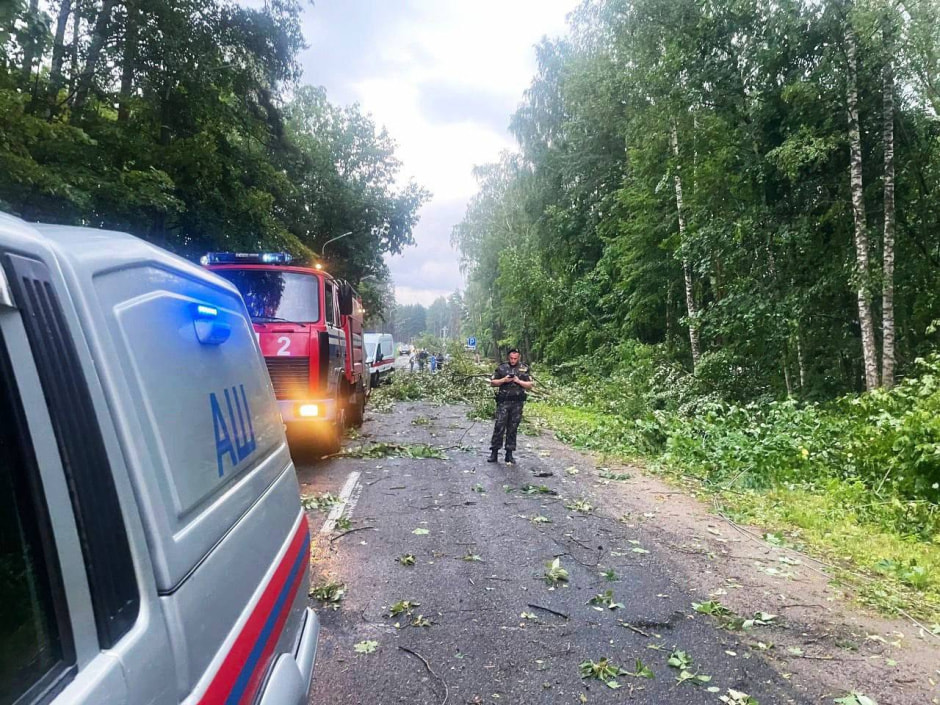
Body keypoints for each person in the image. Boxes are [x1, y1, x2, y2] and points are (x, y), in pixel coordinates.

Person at [487, 348, 533, 465]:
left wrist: (518, 381)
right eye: (511, 358)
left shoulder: (524, 368)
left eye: (515, 358)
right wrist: (504, 380)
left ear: (519, 357)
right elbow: (492, 383)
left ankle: (509, 454)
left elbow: (530, 385)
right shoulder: (502, 368)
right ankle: (494, 452)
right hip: (503, 403)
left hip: (517, 404)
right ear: (508, 357)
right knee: (499, 426)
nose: (513, 360)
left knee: (512, 428)